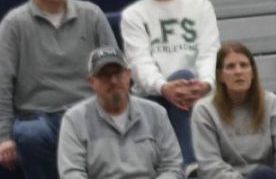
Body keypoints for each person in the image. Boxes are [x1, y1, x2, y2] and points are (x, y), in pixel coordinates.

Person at [0, 0, 117, 179]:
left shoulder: (92, 15)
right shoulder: (14, 24)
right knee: (30, 133)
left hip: (89, 110)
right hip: (38, 117)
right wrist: (3, 137)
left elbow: (115, 72)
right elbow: (2, 83)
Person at [121, 0, 220, 166]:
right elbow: (140, 63)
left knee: (185, 78)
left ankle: (187, 166)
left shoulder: (201, 6)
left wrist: (205, 83)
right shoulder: (134, 15)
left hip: (198, 93)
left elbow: (209, 52)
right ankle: (190, 165)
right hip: (153, 97)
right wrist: (165, 87)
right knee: (179, 78)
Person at [57, 45, 183, 179]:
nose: (113, 80)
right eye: (105, 75)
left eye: (118, 72)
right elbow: (72, 173)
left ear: (128, 74)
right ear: (92, 82)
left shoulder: (156, 113)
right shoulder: (74, 120)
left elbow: (172, 166)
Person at [191, 42, 276, 179]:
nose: (238, 72)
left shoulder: (271, 102)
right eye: (231, 67)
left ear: (252, 73)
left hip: (272, 175)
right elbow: (209, 164)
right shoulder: (204, 110)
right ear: (220, 76)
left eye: (244, 65)